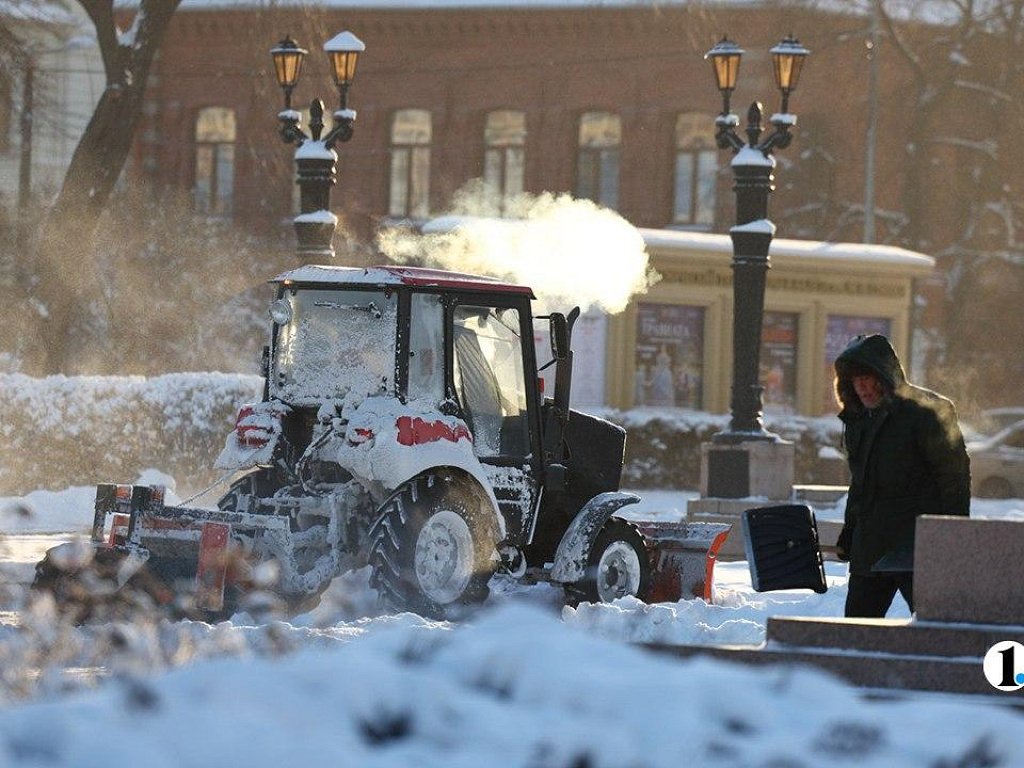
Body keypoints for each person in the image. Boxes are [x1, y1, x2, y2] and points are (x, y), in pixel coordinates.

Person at [833, 334, 971, 618]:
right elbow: (860, 483)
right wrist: (850, 530)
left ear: (884, 375)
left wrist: (953, 534)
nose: (861, 387)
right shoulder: (859, 419)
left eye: (866, 377)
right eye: (855, 380)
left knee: (937, 625)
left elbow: (954, 477)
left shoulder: (927, 410)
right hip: (871, 545)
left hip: (917, 544)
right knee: (856, 630)